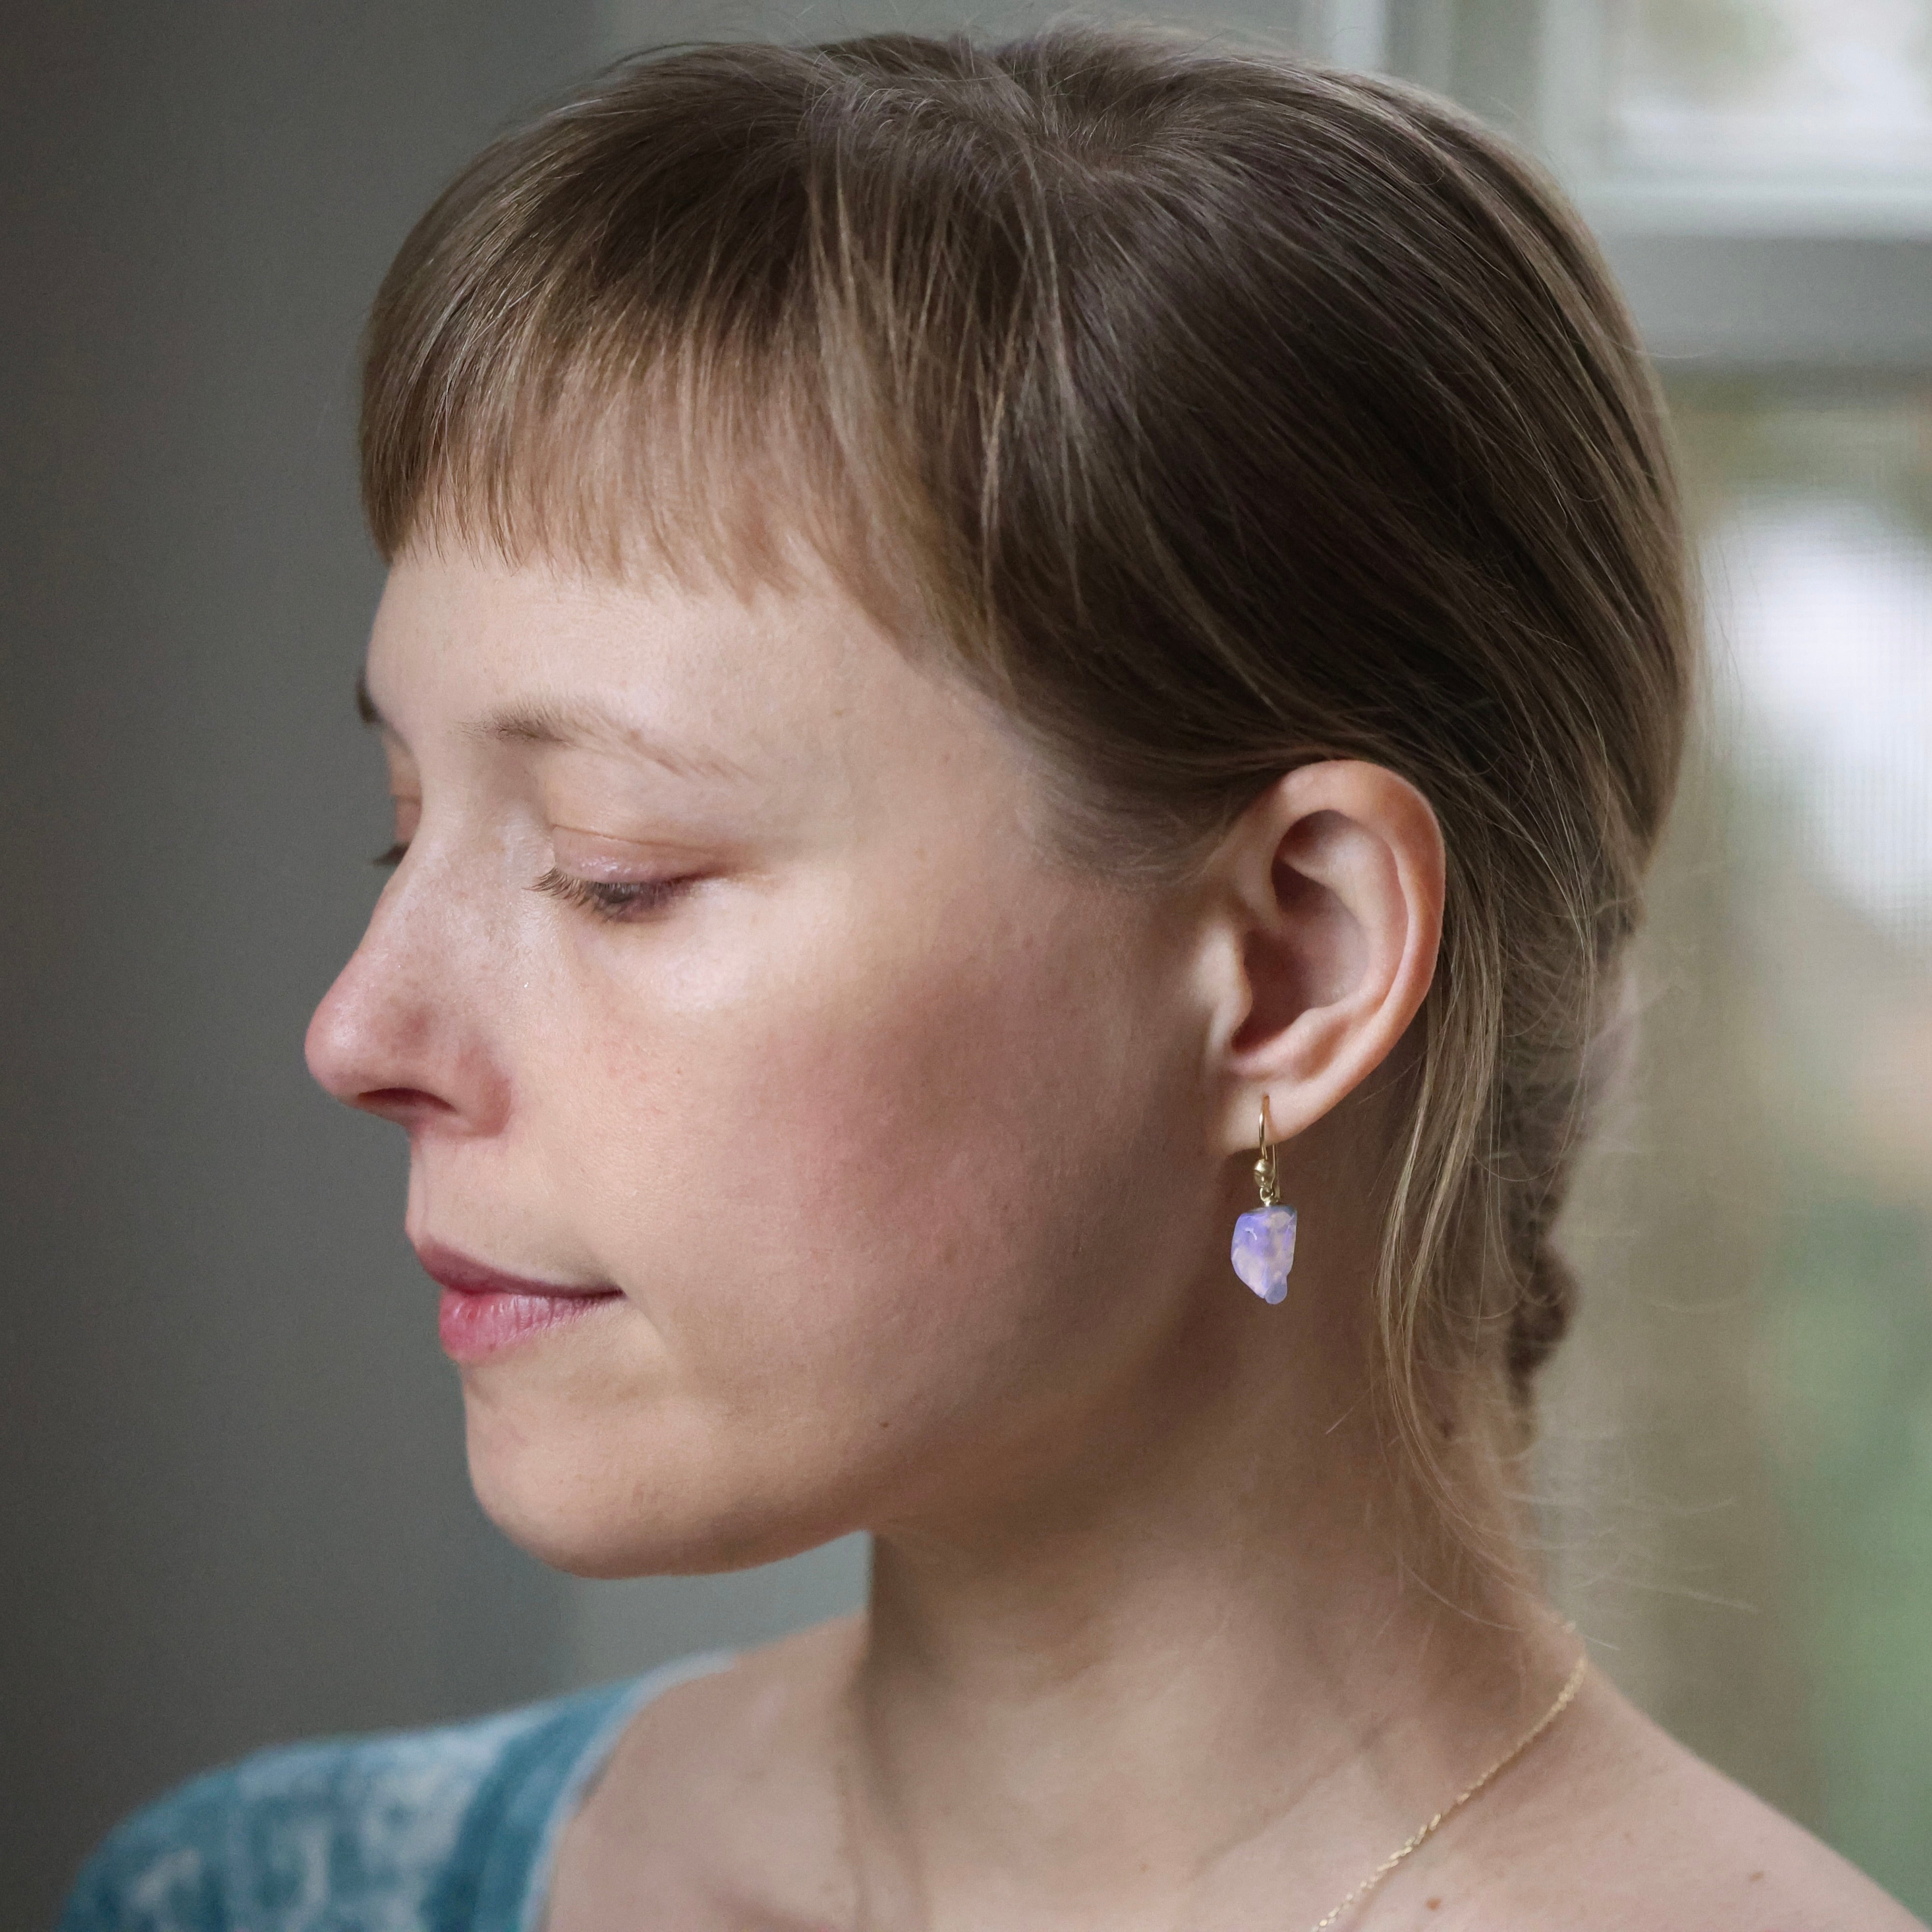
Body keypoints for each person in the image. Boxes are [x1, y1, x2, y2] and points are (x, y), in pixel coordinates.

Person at [59, 24, 1922, 1932]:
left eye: (620, 872)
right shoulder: (246, 1898)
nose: (359, 1031)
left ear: (1296, 965)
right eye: (403, 828)